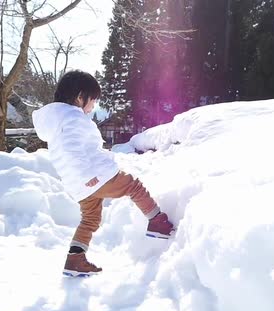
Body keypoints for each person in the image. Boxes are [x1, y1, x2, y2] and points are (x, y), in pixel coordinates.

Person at [32, 70, 175, 277]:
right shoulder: (72, 118)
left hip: (79, 184)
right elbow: (72, 150)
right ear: (80, 97)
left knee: (90, 219)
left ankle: (75, 260)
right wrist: (87, 175)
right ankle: (156, 221)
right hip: (94, 175)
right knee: (133, 186)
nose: (93, 106)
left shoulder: (57, 122)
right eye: (93, 100)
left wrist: (82, 178)